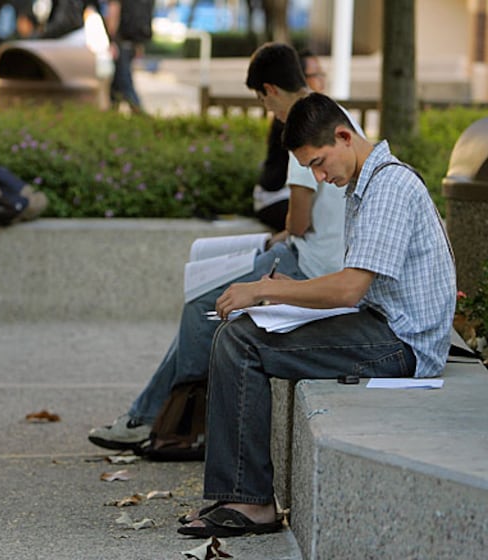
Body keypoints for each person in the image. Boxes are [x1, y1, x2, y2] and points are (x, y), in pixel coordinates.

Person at [178, 92, 456, 539]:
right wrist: (289, 295)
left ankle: (250, 502)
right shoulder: (369, 183)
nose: (320, 177)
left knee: (240, 341)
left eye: (319, 163)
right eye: (311, 168)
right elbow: (355, 286)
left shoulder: (388, 188)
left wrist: (265, 287)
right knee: (243, 331)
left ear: (344, 136)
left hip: (401, 346)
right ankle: (239, 494)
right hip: (381, 325)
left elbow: (349, 287)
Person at [87, 43, 363, 451]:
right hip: (309, 254)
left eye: (262, 100)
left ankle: (153, 419)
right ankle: (153, 416)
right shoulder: (331, 114)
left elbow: (299, 221)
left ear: (269, 90)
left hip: (308, 262)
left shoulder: (306, 130)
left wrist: (280, 236)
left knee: (202, 308)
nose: (267, 109)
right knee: (202, 297)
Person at [254, 50, 326, 230]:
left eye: (322, 74)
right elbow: (298, 226)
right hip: (275, 197)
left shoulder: (315, 111)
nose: (321, 80)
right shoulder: (294, 119)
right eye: (315, 74)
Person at [105, 0, 153, 114]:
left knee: (124, 81)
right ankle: (112, 114)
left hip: (121, 42)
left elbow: (113, 13)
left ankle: (140, 115)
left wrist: (111, 40)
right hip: (133, 41)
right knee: (116, 83)